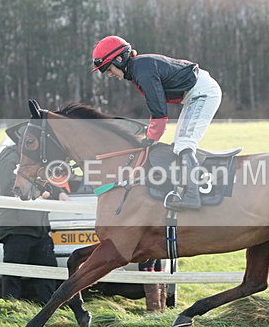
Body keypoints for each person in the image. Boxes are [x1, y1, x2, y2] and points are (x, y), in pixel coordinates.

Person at [91, 35, 222, 210]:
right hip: (196, 93)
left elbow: (159, 111)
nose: (109, 74)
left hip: (203, 93)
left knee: (184, 145)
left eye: (108, 68)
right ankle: (184, 188)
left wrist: (151, 138)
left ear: (120, 59)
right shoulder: (139, 68)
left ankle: (193, 196)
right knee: (178, 146)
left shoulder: (142, 71)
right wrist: (151, 135)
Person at [0, 143, 68, 305]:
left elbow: (45, 178)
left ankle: (49, 308)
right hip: (17, 227)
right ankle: (10, 309)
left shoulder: (36, 159)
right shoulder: (9, 159)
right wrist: (42, 192)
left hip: (39, 227)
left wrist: (59, 192)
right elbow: (9, 189)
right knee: (14, 273)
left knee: (48, 271)